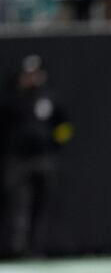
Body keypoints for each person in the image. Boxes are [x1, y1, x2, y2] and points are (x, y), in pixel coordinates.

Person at [0, 55, 72, 258]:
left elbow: (64, 126)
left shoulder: (50, 98)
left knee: (42, 205)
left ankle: (37, 248)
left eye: (35, 74)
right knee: (18, 205)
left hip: (44, 158)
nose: (31, 79)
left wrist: (56, 144)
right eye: (28, 75)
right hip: (18, 160)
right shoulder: (12, 100)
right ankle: (17, 248)